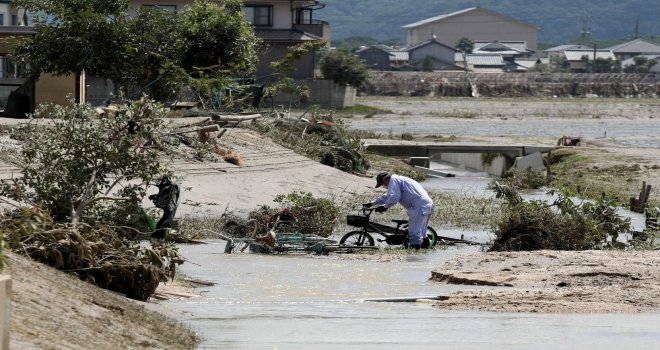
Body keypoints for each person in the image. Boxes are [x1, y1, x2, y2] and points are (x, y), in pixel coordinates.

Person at [366, 172, 434, 249]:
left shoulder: (393, 180)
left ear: (385, 179)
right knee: (422, 231)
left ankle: (415, 255)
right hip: (427, 203)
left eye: (382, 183)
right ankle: (425, 251)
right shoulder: (399, 180)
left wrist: (385, 207)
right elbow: (387, 196)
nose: (384, 185)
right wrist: (372, 203)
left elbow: (395, 197)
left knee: (413, 231)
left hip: (418, 205)